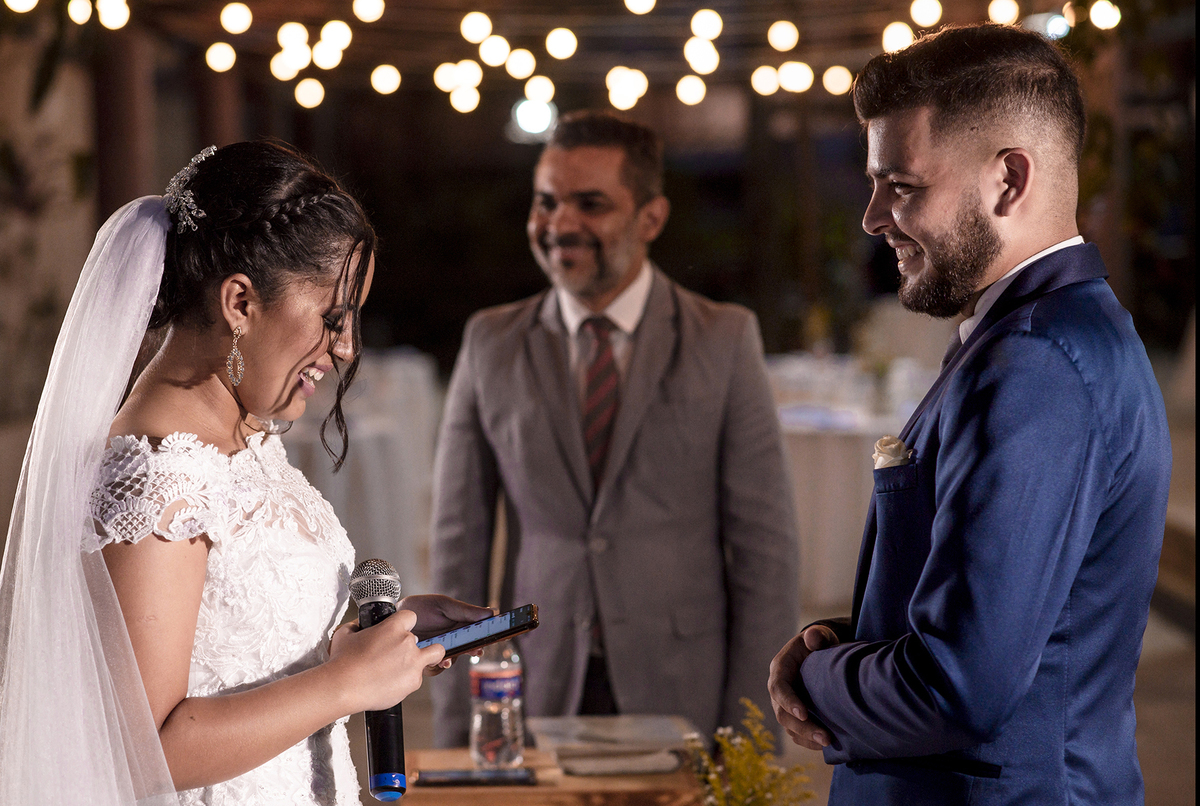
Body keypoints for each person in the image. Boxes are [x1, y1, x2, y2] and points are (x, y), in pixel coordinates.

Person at [0, 141, 492, 805]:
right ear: (240, 302)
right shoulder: (160, 478)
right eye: (331, 318)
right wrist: (346, 686)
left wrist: (377, 642)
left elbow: (238, 648)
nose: (346, 349)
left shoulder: (247, 437)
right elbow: (142, 747)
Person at [767, 24, 1172, 804]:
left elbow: (955, 684)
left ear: (1008, 181)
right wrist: (844, 641)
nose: (873, 216)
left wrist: (814, 675)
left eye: (903, 185)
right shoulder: (1057, 333)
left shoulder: (1034, 363)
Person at [429, 110, 800, 746]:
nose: (560, 224)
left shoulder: (723, 338)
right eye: (546, 202)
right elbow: (458, 546)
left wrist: (750, 735)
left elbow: (766, 551)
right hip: (536, 681)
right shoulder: (491, 342)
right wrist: (456, 733)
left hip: (683, 683)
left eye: (590, 203)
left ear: (651, 218)